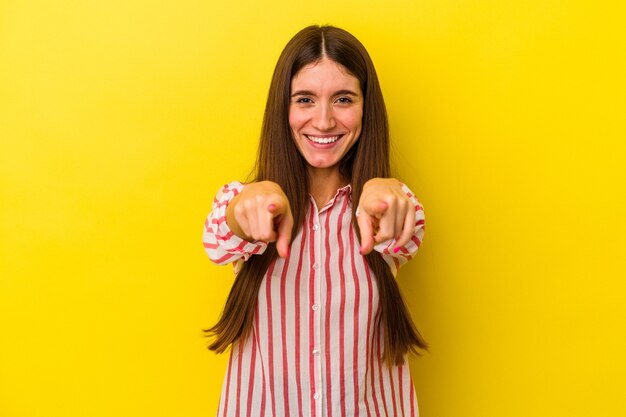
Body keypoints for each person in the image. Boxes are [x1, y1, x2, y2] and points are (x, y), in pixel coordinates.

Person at [203, 25, 427, 417]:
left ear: (365, 108)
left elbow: (404, 226)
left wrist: (383, 188)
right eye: (305, 99)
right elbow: (223, 233)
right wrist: (250, 203)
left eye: (343, 99)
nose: (323, 121)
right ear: (283, 109)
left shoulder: (387, 208)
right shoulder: (251, 207)